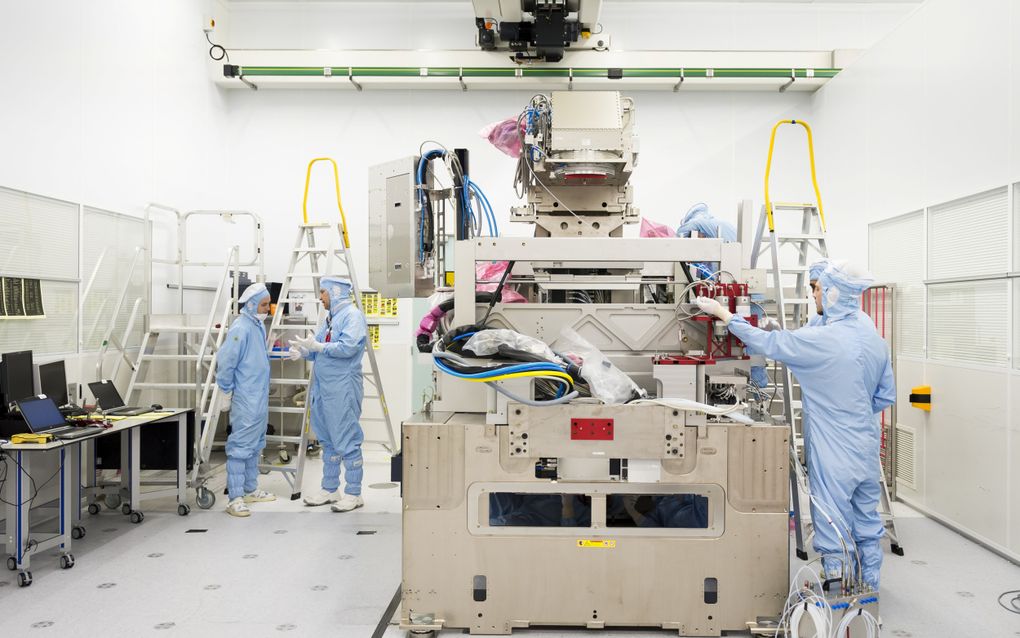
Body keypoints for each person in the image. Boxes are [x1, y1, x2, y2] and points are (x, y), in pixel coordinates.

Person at [696, 260, 895, 589]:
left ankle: (835, 597)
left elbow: (771, 346)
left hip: (835, 451)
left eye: (817, 288)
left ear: (831, 294)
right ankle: (869, 595)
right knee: (866, 522)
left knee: (832, 523)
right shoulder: (871, 334)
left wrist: (725, 315)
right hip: (866, 446)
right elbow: (885, 396)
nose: (814, 292)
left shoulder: (825, 340)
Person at [289, 277, 367, 513]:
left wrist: (319, 347)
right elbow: (318, 350)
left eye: (323, 292)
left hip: (342, 387)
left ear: (336, 292)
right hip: (324, 388)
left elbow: (348, 347)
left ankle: (354, 493)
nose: (320, 297)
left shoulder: (352, 316)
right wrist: (303, 351)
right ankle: (330, 489)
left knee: (346, 439)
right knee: (328, 440)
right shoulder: (330, 318)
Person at [216, 283, 276, 518]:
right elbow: (226, 360)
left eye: (268, 304)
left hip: (258, 396)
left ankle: (250, 489)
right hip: (246, 397)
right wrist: (225, 390)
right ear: (250, 305)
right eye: (263, 305)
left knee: (255, 444)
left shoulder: (256, 326)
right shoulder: (241, 328)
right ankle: (235, 497)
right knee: (241, 446)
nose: (267, 309)